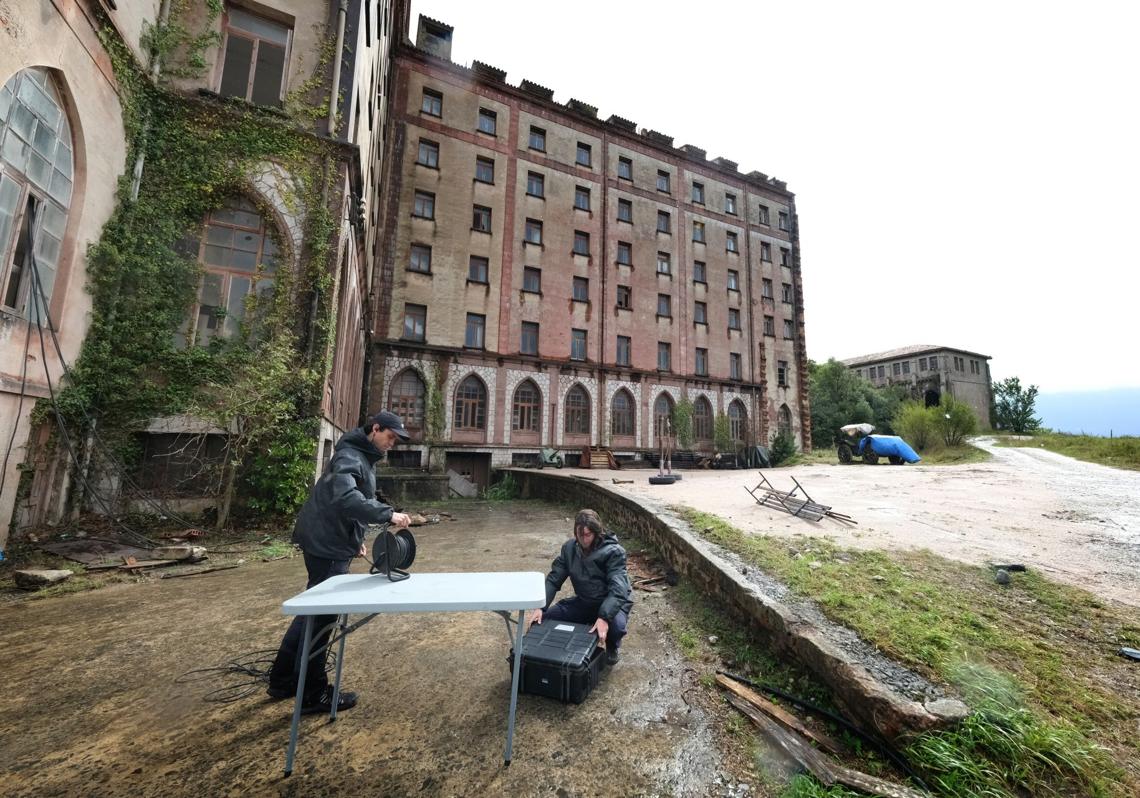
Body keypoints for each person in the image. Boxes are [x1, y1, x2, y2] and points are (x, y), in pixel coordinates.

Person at [267, 410, 412, 713]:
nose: (392, 443)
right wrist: (388, 513)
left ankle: (283, 679)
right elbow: (345, 498)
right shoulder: (350, 455)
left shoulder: (360, 454)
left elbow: (345, 506)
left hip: (330, 539)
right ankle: (313, 694)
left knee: (309, 612)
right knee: (322, 620)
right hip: (326, 545)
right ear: (375, 429)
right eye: (390, 436)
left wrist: (354, 538)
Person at [529, 509, 633, 665]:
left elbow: (619, 590)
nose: (584, 539)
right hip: (584, 601)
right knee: (545, 619)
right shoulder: (569, 549)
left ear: (597, 533)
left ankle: (612, 646)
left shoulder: (614, 552)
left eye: (588, 535)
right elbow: (554, 579)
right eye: (580, 535)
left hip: (611, 602)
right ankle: (576, 633)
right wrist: (540, 607)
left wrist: (604, 617)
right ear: (575, 533)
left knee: (616, 627)